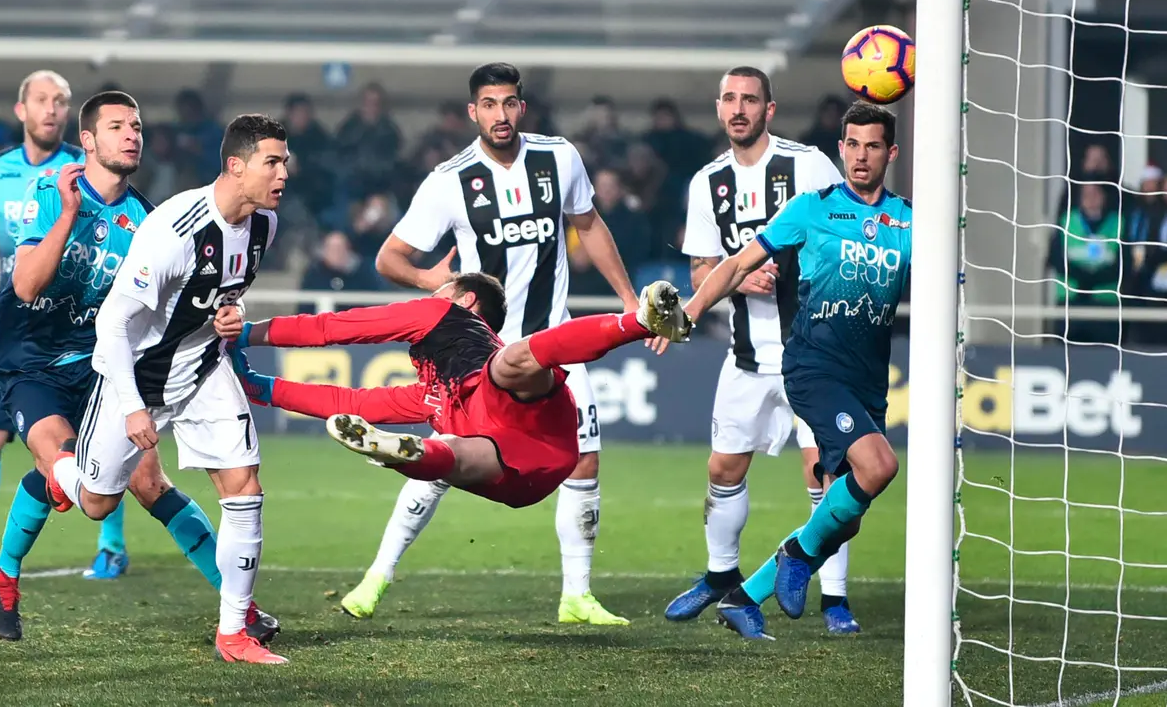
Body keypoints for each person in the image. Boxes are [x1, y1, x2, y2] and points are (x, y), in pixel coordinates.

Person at [0, 93, 279, 647]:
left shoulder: (146, 217)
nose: (132, 135)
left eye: (137, 126)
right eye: (117, 126)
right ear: (87, 141)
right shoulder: (49, 193)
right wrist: (70, 216)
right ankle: (3, 576)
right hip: (32, 362)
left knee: (147, 481)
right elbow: (25, 287)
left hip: (107, 362)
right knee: (69, 473)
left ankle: (240, 605)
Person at [358, 62, 641, 625]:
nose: (501, 115)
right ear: (473, 112)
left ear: (522, 108)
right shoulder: (449, 180)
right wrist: (433, 283)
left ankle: (577, 596)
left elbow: (589, 224)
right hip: (477, 352)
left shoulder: (560, 158)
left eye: (509, 103)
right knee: (440, 461)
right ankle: (376, 577)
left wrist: (630, 300)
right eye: (489, 104)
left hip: (553, 345)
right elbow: (389, 258)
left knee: (583, 460)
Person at [657, 101, 911, 640]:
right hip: (813, 366)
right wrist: (693, 309)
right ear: (840, 148)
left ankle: (748, 597)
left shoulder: (910, 220)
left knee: (850, 504)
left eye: (872, 146)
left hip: (867, 376)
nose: (860, 156)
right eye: (852, 144)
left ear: (891, 153)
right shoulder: (811, 208)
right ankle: (795, 558)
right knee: (879, 467)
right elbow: (737, 263)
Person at [223, 277, 689, 517]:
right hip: (532, 465)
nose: (431, 295)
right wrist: (260, 387)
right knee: (454, 451)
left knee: (507, 368)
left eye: (440, 291)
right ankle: (407, 453)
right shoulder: (430, 394)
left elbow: (335, 328)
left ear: (465, 300)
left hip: (515, 410)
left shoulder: (443, 314)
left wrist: (249, 334)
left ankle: (641, 322)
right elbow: (353, 404)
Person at [0, 70, 129, 580]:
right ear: (21, 110)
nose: (52, 109)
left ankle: (110, 545)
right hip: (14, 325)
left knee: (99, 443)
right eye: (42, 100)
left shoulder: (84, 168)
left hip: (75, 330)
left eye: (61, 101)